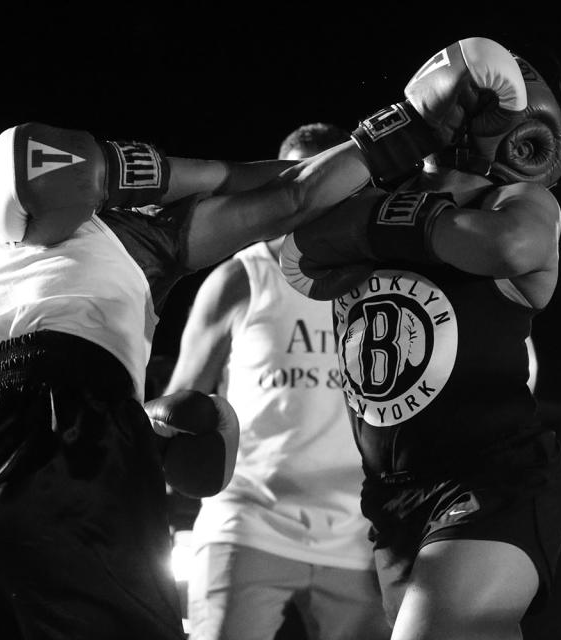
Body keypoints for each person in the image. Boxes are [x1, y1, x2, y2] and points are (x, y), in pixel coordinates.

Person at [0, 35, 539, 640]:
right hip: (65, 441)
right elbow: (289, 198)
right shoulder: (141, 235)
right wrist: (410, 121)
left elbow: (39, 166)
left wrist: (159, 428)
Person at [280, 40, 561, 639]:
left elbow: (510, 246)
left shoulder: (517, 202)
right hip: (392, 499)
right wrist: (404, 125)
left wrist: (381, 221)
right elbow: (292, 216)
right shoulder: (361, 201)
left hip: (492, 479)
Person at [163, 123, 391, 640]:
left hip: (358, 536)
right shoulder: (241, 278)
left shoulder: (384, 284)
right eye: (302, 181)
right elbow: (177, 407)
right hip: (248, 523)